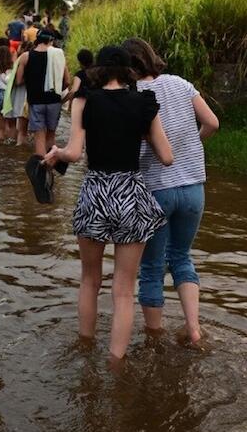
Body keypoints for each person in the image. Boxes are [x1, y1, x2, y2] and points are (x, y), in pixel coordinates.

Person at [44, 46, 172, 362]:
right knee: (124, 291)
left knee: (89, 280)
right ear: (129, 71)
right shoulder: (144, 103)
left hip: (95, 192)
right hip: (131, 194)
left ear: (97, 70)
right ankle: (117, 362)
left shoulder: (84, 101)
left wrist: (55, 154)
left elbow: (74, 153)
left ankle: (85, 349)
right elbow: (167, 157)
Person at [122, 37, 219, 346]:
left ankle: (154, 338)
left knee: (151, 267)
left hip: (157, 190)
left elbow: (134, 150)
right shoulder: (180, 83)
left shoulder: (134, 94)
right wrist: (191, 145)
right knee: (181, 257)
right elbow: (212, 123)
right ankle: (194, 330)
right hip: (193, 188)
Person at [15, 28, 69, 157]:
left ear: (37, 39)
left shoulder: (26, 56)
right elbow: (67, 81)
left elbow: (18, 81)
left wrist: (32, 80)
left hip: (35, 102)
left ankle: (41, 169)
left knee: (39, 137)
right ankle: (50, 169)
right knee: (50, 136)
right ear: (51, 40)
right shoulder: (59, 56)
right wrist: (55, 90)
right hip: (54, 101)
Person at [0, 45, 16, 141]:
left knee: (0, 129)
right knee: (12, 125)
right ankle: (12, 148)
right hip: (9, 96)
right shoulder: (12, 68)